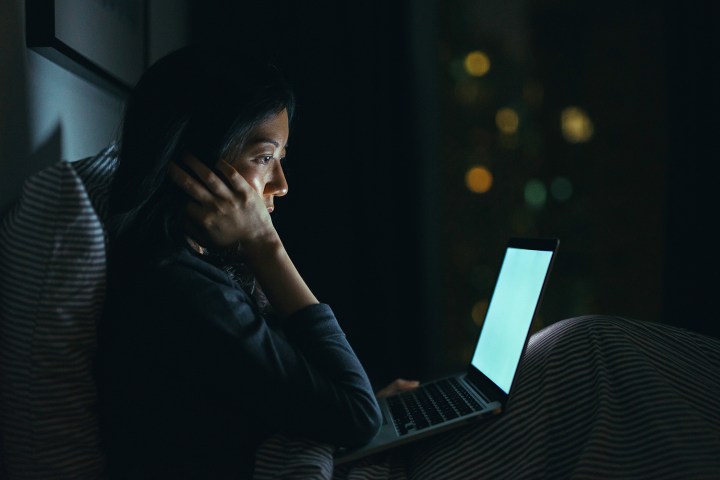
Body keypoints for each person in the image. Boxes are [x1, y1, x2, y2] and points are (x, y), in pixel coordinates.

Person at [97, 46, 416, 479]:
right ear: (195, 158)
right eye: (265, 158)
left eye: (279, 160)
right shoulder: (181, 292)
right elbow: (358, 417)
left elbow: (309, 399)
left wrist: (354, 401)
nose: (281, 184)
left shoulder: (193, 267)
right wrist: (265, 244)